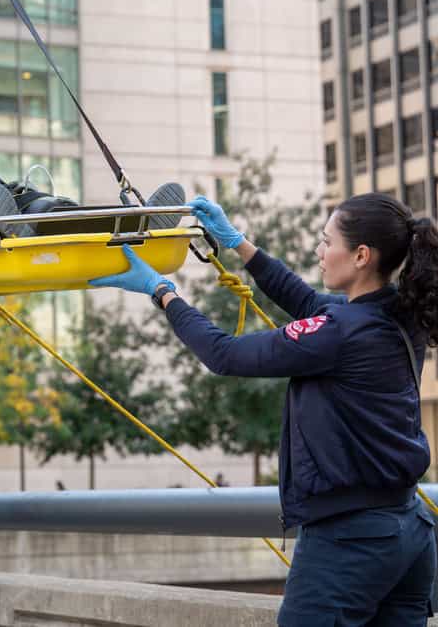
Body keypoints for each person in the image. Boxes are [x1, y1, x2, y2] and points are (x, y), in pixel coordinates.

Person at [92, 193, 438, 625]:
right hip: (410, 533)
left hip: (351, 538)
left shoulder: (340, 334)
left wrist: (163, 293)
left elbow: (224, 354)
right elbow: (308, 303)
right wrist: (239, 244)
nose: (319, 251)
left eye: (326, 241)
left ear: (361, 256)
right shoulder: (399, 314)